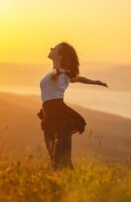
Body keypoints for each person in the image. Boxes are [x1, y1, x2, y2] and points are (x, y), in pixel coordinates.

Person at [37, 42, 108, 170]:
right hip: (53, 112)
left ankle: (66, 185)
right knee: (60, 158)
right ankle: (69, 182)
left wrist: (59, 71)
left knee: (58, 159)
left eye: (55, 48)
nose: (51, 48)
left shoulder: (60, 73)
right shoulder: (62, 74)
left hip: (56, 113)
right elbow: (79, 79)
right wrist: (95, 82)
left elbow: (57, 74)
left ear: (60, 56)